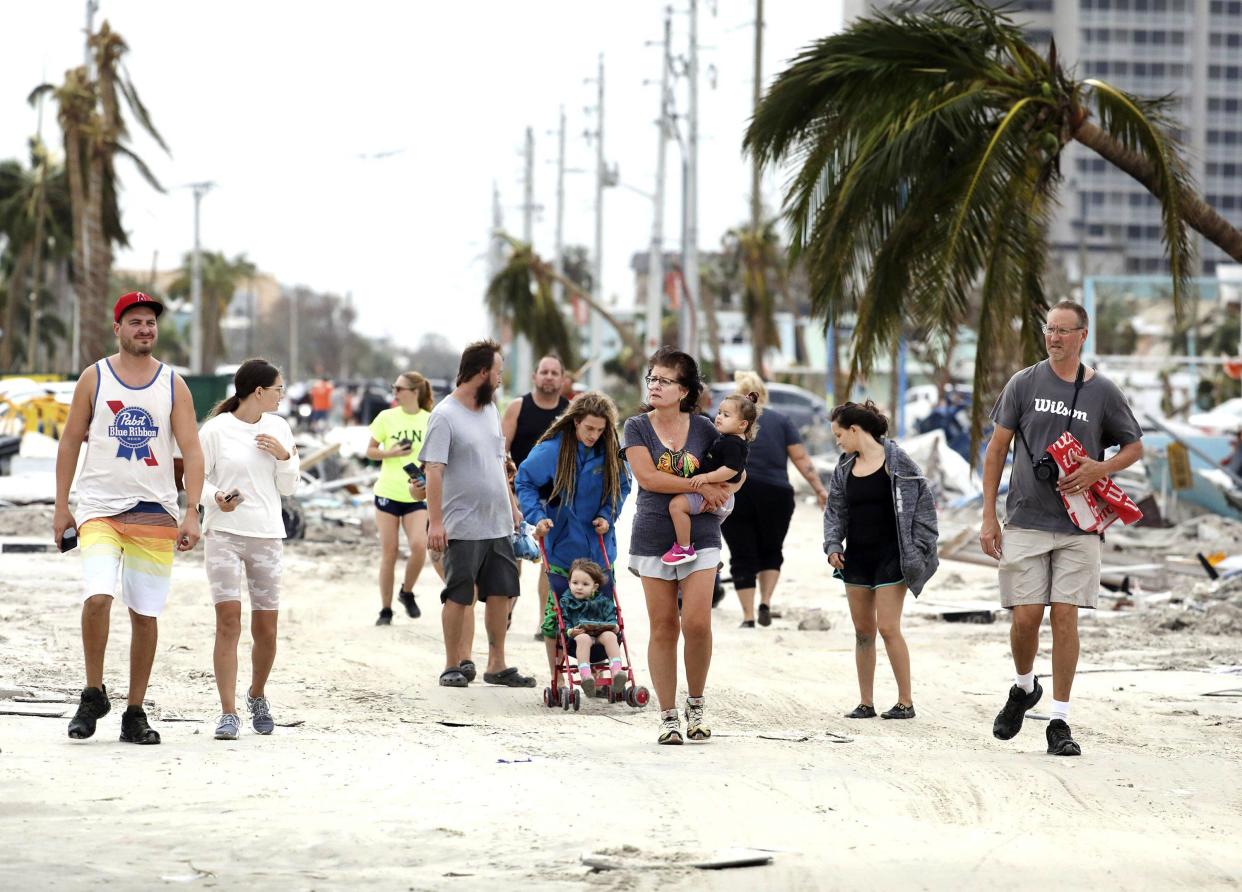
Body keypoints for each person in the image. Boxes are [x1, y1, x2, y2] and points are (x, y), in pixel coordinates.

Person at [980, 300, 1143, 757]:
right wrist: (989, 515)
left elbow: (1134, 448)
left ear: (1082, 335)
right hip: (1027, 518)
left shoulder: (1104, 392)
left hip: (1079, 523)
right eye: (1049, 329)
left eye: (1063, 331)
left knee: (1065, 616)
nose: (1053, 338)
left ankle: (1060, 720)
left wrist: (1098, 468)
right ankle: (1023, 687)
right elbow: (996, 450)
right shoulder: (1023, 383)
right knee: (1026, 617)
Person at [52, 291, 204, 745]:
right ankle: (93, 692)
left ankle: (134, 713)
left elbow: (192, 449)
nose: (145, 329)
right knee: (98, 596)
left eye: (150, 323)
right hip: (99, 507)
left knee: (145, 613)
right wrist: (62, 505)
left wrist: (192, 510)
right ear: (117, 328)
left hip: (155, 513)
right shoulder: (93, 378)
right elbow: (69, 442)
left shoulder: (172, 383)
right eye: (135, 322)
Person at [622, 347, 739, 745]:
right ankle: (668, 716)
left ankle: (697, 705)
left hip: (702, 531)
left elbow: (737, 469)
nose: (654, 386)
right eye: (651, 378)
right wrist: (699, 483)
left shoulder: (706, 428)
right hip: (653, 533)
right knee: (664, 626)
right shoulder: (635, 427)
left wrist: (724, 487)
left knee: (697, 622)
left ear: (685, 390)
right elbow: (649, 478)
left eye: (664, 380)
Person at [198, 359, 300, 740]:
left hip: (267, 536)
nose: (281, 396)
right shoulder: (216, 431)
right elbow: (196, 479)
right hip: (223, 533)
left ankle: (257, 694)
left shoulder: (280, 428)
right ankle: (227, 712)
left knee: (266, 629)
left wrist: (284, 456)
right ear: (258, 391)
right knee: (228, 623)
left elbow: (289, 487)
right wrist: (215, 498)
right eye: (278, 390)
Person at [424, 339, 534, 688]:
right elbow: (433, 471)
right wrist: (436, 522)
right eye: (498, 372)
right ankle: (452, 664)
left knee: (502, 592)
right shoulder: (444, 415)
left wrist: (514, 509)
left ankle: (496, 664)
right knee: (460, 594)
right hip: (461, 525)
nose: (501, 379)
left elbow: (500, 462)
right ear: (482, 373)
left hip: (498, 521)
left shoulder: (489, 409)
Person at [823, 400, 939, 721]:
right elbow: (835, 511)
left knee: (888, 627)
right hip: (856, 557)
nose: (838, 442)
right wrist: (833, 545)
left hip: (893, 558)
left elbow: (925, 512)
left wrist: (918, 549)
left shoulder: (900, 464)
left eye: (839, 435)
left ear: (855, 430)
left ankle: (905, 701)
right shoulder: (844, 468)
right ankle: (866, 702)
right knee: (863, 632)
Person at [514, 391, 630, 678]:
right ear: (576, 421)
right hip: (561, 547)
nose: (594, 435)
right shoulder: (554, 449)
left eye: (601, 430)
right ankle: (555, 674)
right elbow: (524, 480)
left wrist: (607, 514)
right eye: (589, 428)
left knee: (602, 614)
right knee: (557, 618)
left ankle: (602, 675)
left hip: (599, 549)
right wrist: (537, 517)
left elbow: (623, 486)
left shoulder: (610, 451)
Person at [721, 370, 830, 628]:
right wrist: (819, 490)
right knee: (771, 550)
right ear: (764, 393)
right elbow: (801, 459)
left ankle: (748, 617)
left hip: (738, 491)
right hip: (776, 493)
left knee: (742, 553)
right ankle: (765, 602)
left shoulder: (729, 421)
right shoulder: (782, 420)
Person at [502, 354, 571, 638]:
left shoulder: (570, 411)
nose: (549, 377)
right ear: (535, 376)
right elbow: (501, 452)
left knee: (550, 565)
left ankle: (546, 623)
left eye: (555, 372)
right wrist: (510, 494)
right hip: (521, 498)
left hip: (557, 500)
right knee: (512, 562)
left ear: (562, 378)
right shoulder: (518, 407)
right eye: (544, 372)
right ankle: (505, 613)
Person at [365, 371, 435, 625]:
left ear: (414, 392)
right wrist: (391, 453)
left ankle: (406, 591)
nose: (394, 392)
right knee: (390, 551)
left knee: (419, 546)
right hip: (387, 492)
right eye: (394, 387)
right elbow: (370, 451)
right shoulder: (386, 417)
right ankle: (385, 610)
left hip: (416, 492)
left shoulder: (430, 420)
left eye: (399, 388)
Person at [662, 392, 758, 565]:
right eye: (720, 412)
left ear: (743, 424)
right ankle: (711, 557)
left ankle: (683, 549)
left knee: (676, 506)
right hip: (725, 498)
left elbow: (731, 469)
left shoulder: (733, 443)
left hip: (719, 496)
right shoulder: (730, 439)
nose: (719, 417)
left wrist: (706, 477)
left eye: (726, 415)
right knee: (704, 531)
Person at [557, 559, 625, 696]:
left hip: (600, 638)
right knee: (583, 638)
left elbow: (611, 617)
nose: (579, 587)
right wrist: (570, 631)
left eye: (585, 584)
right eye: (575, 583)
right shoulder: (566, 601)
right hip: (577, 640)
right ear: (569, 583)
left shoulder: (603, 602)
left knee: (610, 636)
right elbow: (564, 621)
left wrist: (614, 626)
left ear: (594, 587)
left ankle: (617, 671)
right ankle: (586, 675)